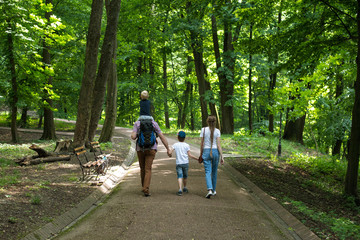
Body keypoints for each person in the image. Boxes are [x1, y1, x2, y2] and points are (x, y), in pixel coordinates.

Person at [131, 118, 171, 197]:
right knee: (148, 169)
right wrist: (168, 149)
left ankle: (144, 186)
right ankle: (146, 189)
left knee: (142, 168)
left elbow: (133, 137)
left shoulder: (137, 123)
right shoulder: (154, 123)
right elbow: (162, 137)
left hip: (140, 149)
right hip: (151, 149)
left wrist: (136, 133)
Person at [199, 116, 224, 198]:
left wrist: (200, 154)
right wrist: (222, 157)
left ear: (207, 121)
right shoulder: (217, 131)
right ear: (215, 122)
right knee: (214, 172)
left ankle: (209, 189)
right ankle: (213, 190)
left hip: (206, 152)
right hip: (215, 152)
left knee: (208, 172)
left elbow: (202, 144)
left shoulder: (204, 130)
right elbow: (219, 145)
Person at [169, 131, 198, 196]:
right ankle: (184, 188)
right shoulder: (187, 145)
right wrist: (197, 159)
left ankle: (180, 189)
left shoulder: (175, 145)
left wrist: (169, 153)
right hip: (185, 163)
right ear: (184, 138)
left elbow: (170, 152)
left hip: (179, 163)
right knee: (185, 176)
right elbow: (190, 155)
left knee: (179, 176)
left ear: (178, 137)